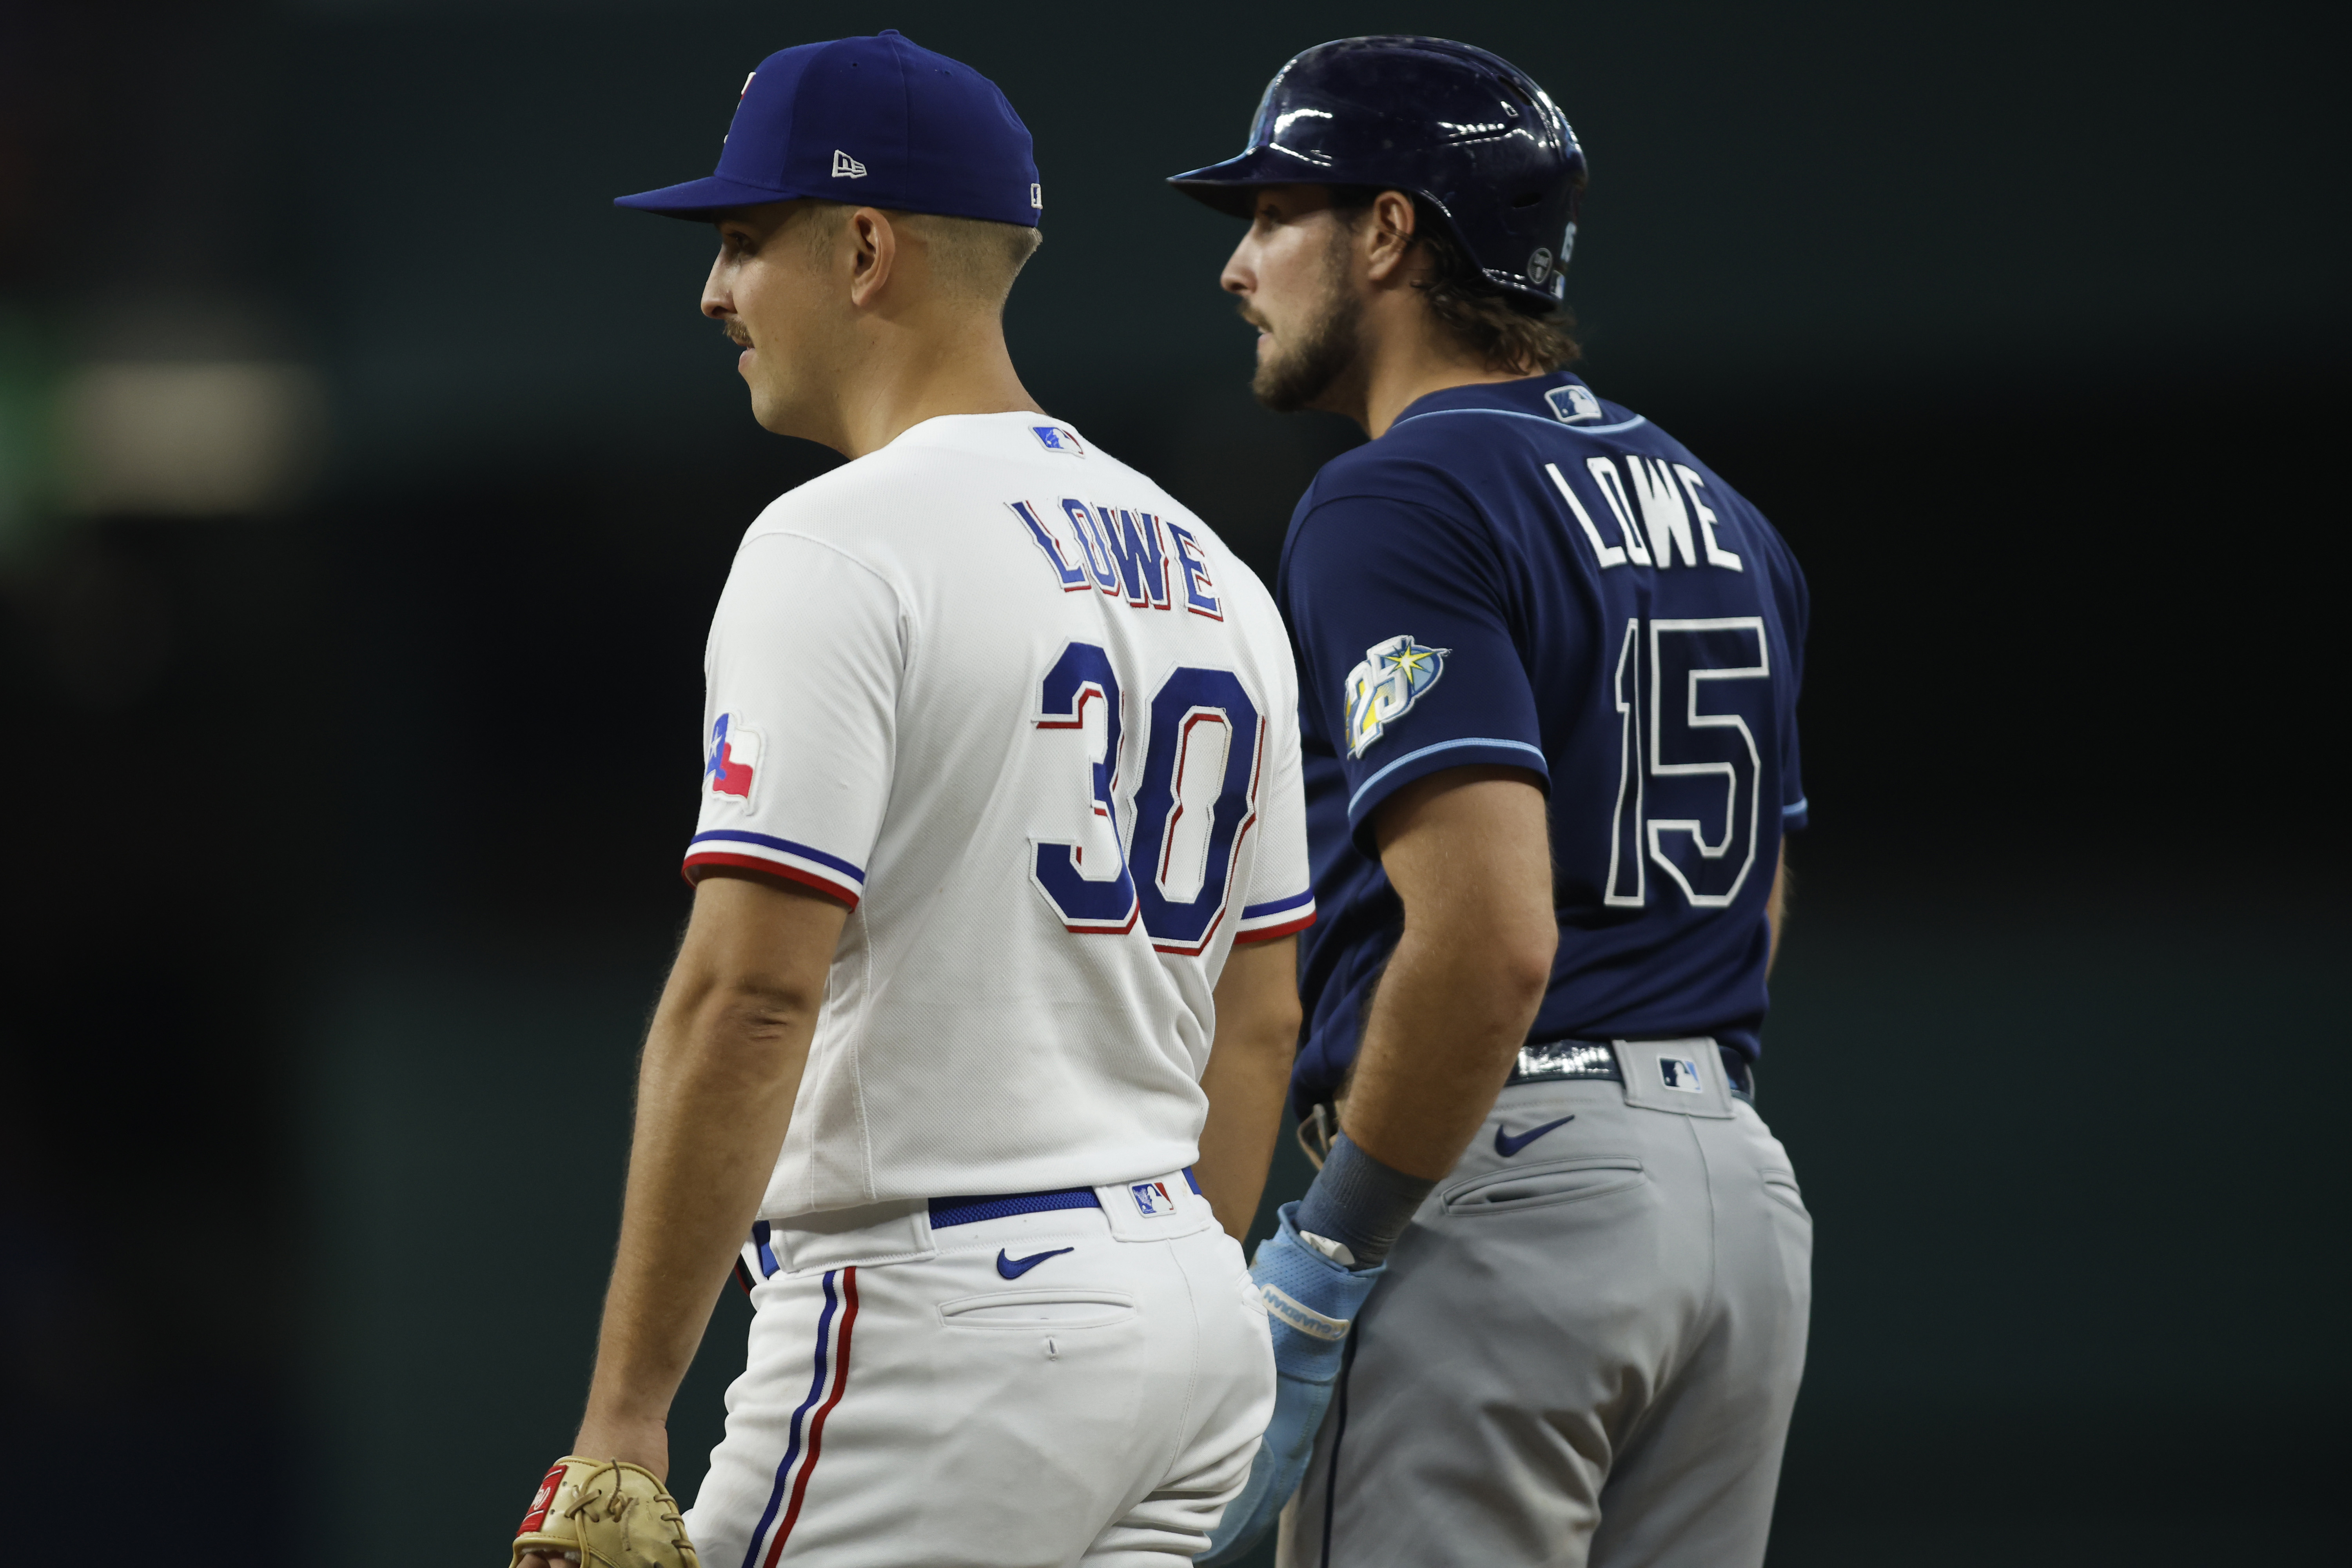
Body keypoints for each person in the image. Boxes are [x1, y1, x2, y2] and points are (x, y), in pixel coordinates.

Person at [509, 31, 1316, 1568]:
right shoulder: (1219, 573)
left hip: (943, 1322)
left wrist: (621, 1423)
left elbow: (751, 996)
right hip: (1188, 1317)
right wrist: (1150, 1307)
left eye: (747, 241)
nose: (715, 292)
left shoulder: (840, 544)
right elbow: (1261, 1020)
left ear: (864, 247)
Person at [1166, 36, 1815, 1568]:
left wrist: (1332, 1247)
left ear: (1389, 231)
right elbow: (1759, 901)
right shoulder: (1726, 510)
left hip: (1501, 1181)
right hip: (1734, 1189)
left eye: (1274, 213)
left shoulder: (1401, 491)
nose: (1238, 267)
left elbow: (1491, 932)